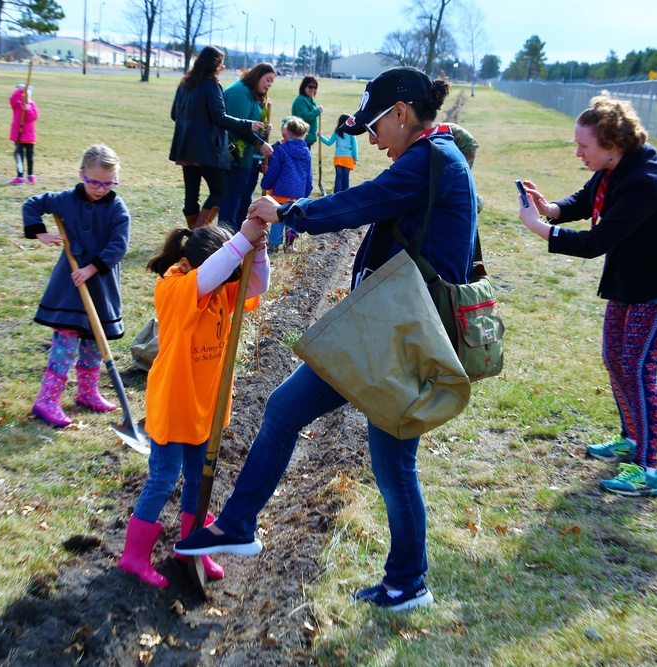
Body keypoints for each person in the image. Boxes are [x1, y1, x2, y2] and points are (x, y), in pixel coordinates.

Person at [175, 67, 478, 611]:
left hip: (392, 336)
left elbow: (357, 204)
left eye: (376, 127)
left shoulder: (430, 159)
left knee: (324, 428)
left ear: (402, 114)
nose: (373, 140)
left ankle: (243, 527)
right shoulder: (437, 157)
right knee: (354, 443)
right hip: (390, 331)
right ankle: (401, 579)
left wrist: (289, 211)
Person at [516, 93, 657, 498]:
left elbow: (594, 242)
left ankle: (648, 469)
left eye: (585, 146)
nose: (579, 153)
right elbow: (585, 201)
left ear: (612, 145)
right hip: (633, 278)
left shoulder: (647, 181)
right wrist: (549, 208)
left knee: (638, 368)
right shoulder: (616, 165)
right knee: (614, 357)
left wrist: (538, 228)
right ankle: (631, 439)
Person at [117, 219, 271, 588]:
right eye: (223, 270)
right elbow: (215, 272)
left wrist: (259, 249)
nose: (228, 281)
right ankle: (133, 556)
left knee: (199, 481)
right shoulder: (175, 286)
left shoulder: (218, 287)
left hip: (208, 404)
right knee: (164, 478)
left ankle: (191, 547)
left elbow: (257, 283)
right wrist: (241, 240)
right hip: (174, 401)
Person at [22, 144, 131, 427]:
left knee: (95, 340)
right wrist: (40, 233)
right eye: (93, 181)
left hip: (100, 285)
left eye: (108, 183)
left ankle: (87, 392)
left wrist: (92, 268)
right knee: (66, 339)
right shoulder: (66, 200)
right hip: (70, 286)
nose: (99, 188)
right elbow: (33, 204)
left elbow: (118, 246)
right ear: (81, 174)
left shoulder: (118, 209)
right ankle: (47, 399)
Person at [169, 46, 265, 229]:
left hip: (185, 148)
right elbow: (219, 117)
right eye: (221, 64)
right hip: (206, 150)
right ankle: (196, 233)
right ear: (213, 65)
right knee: (220, 191)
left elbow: (175, 114)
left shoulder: (184, 84)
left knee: (191, 195)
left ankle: (193, 233)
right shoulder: (211, 85)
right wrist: (247, 124)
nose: (222, 68)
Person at [219, 63, 276, 232]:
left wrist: (264, 131)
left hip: (249, 159)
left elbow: (253, 124)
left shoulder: (254, 95)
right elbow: (238, 126)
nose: (269, 85)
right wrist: (260, 144)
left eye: (272, 82)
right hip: (234, 156)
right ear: (257, 75)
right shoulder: (239, 92)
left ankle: (239, 238)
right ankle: (227, 238)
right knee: (232, 199)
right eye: (268, 80)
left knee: (244, 199)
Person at [260, 116, 312, 252]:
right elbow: (308, 175)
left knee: (278, 219)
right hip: (297, 194)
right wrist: (306, 192)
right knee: (292, 220)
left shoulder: (281, 150)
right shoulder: (306, 153)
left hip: (280, 192)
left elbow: (274, 171)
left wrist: (265, 184)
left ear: (288, 131)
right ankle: (289, 245)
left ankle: (274, 245)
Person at [318, 113, 359, 193]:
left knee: (338, 177)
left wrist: (320, 136)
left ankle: (336, 194)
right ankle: (345, 193)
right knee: (346, 177)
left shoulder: (337, 132)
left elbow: (329, 142)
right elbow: (354, 147)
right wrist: (356, 158)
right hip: (348, 158)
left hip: (338, 157)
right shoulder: (351, 133)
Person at [9, 83, 39, 185]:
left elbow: (33, 118)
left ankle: (31, 175)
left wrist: (28, 110)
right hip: (18, 136)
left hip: (29, 136)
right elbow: (12, 99)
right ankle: (20, 176)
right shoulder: (17, 104)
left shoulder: (32, 105)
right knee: (19, 157)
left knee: (30, 157)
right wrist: (21, 90)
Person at [291, 76, 323, 149]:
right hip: (301, 137)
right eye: (310, 87)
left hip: (308, 137)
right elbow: (305, 117)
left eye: (315, 87)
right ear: (304, 87)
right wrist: (317, 111)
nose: (313, 89)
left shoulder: (310, 100)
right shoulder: (301, 100)